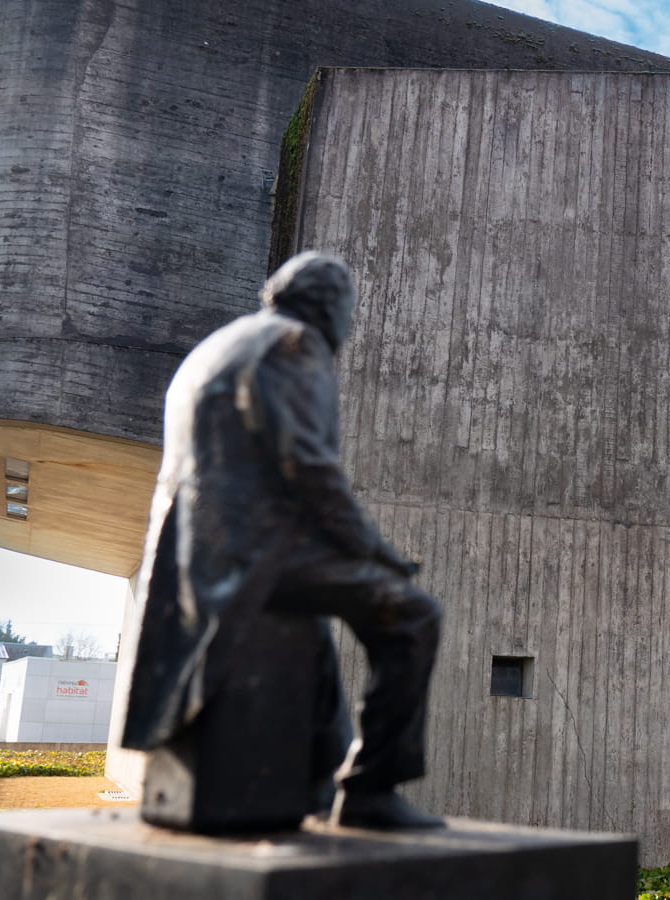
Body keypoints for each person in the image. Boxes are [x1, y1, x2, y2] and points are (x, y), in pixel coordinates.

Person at [120, 251, 442, 829]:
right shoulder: (296, 345)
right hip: (252, 558)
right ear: (330, 304)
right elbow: (309, 467)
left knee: (312, 628)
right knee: (413, 615)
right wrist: (376, 549)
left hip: (193, 558)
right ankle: (370, 790)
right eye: (349, 309)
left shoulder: (223, 345)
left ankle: (321, 778)